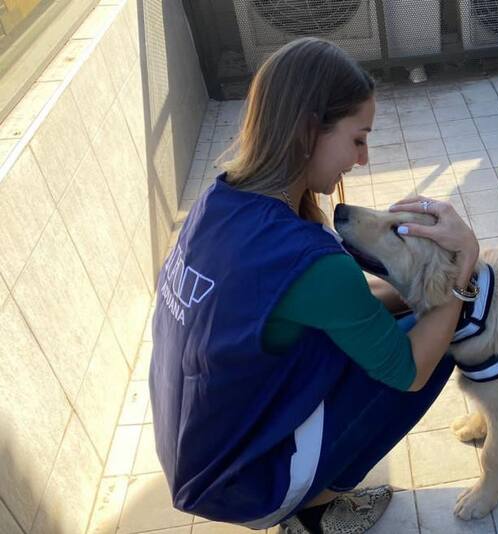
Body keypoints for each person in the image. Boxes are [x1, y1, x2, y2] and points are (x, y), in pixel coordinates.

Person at [148, 37, 480, 534]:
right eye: (358, 138)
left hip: (198, 454)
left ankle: (310, 491)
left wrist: (424, 290)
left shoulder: (218, 201)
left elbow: (346, 308)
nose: (363, 159)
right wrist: (463, 268)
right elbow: (408, 370)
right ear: (309, 130)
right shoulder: (308, 261)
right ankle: (314, 509)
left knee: (397, 325)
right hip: (248, 482)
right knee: (447, 334)